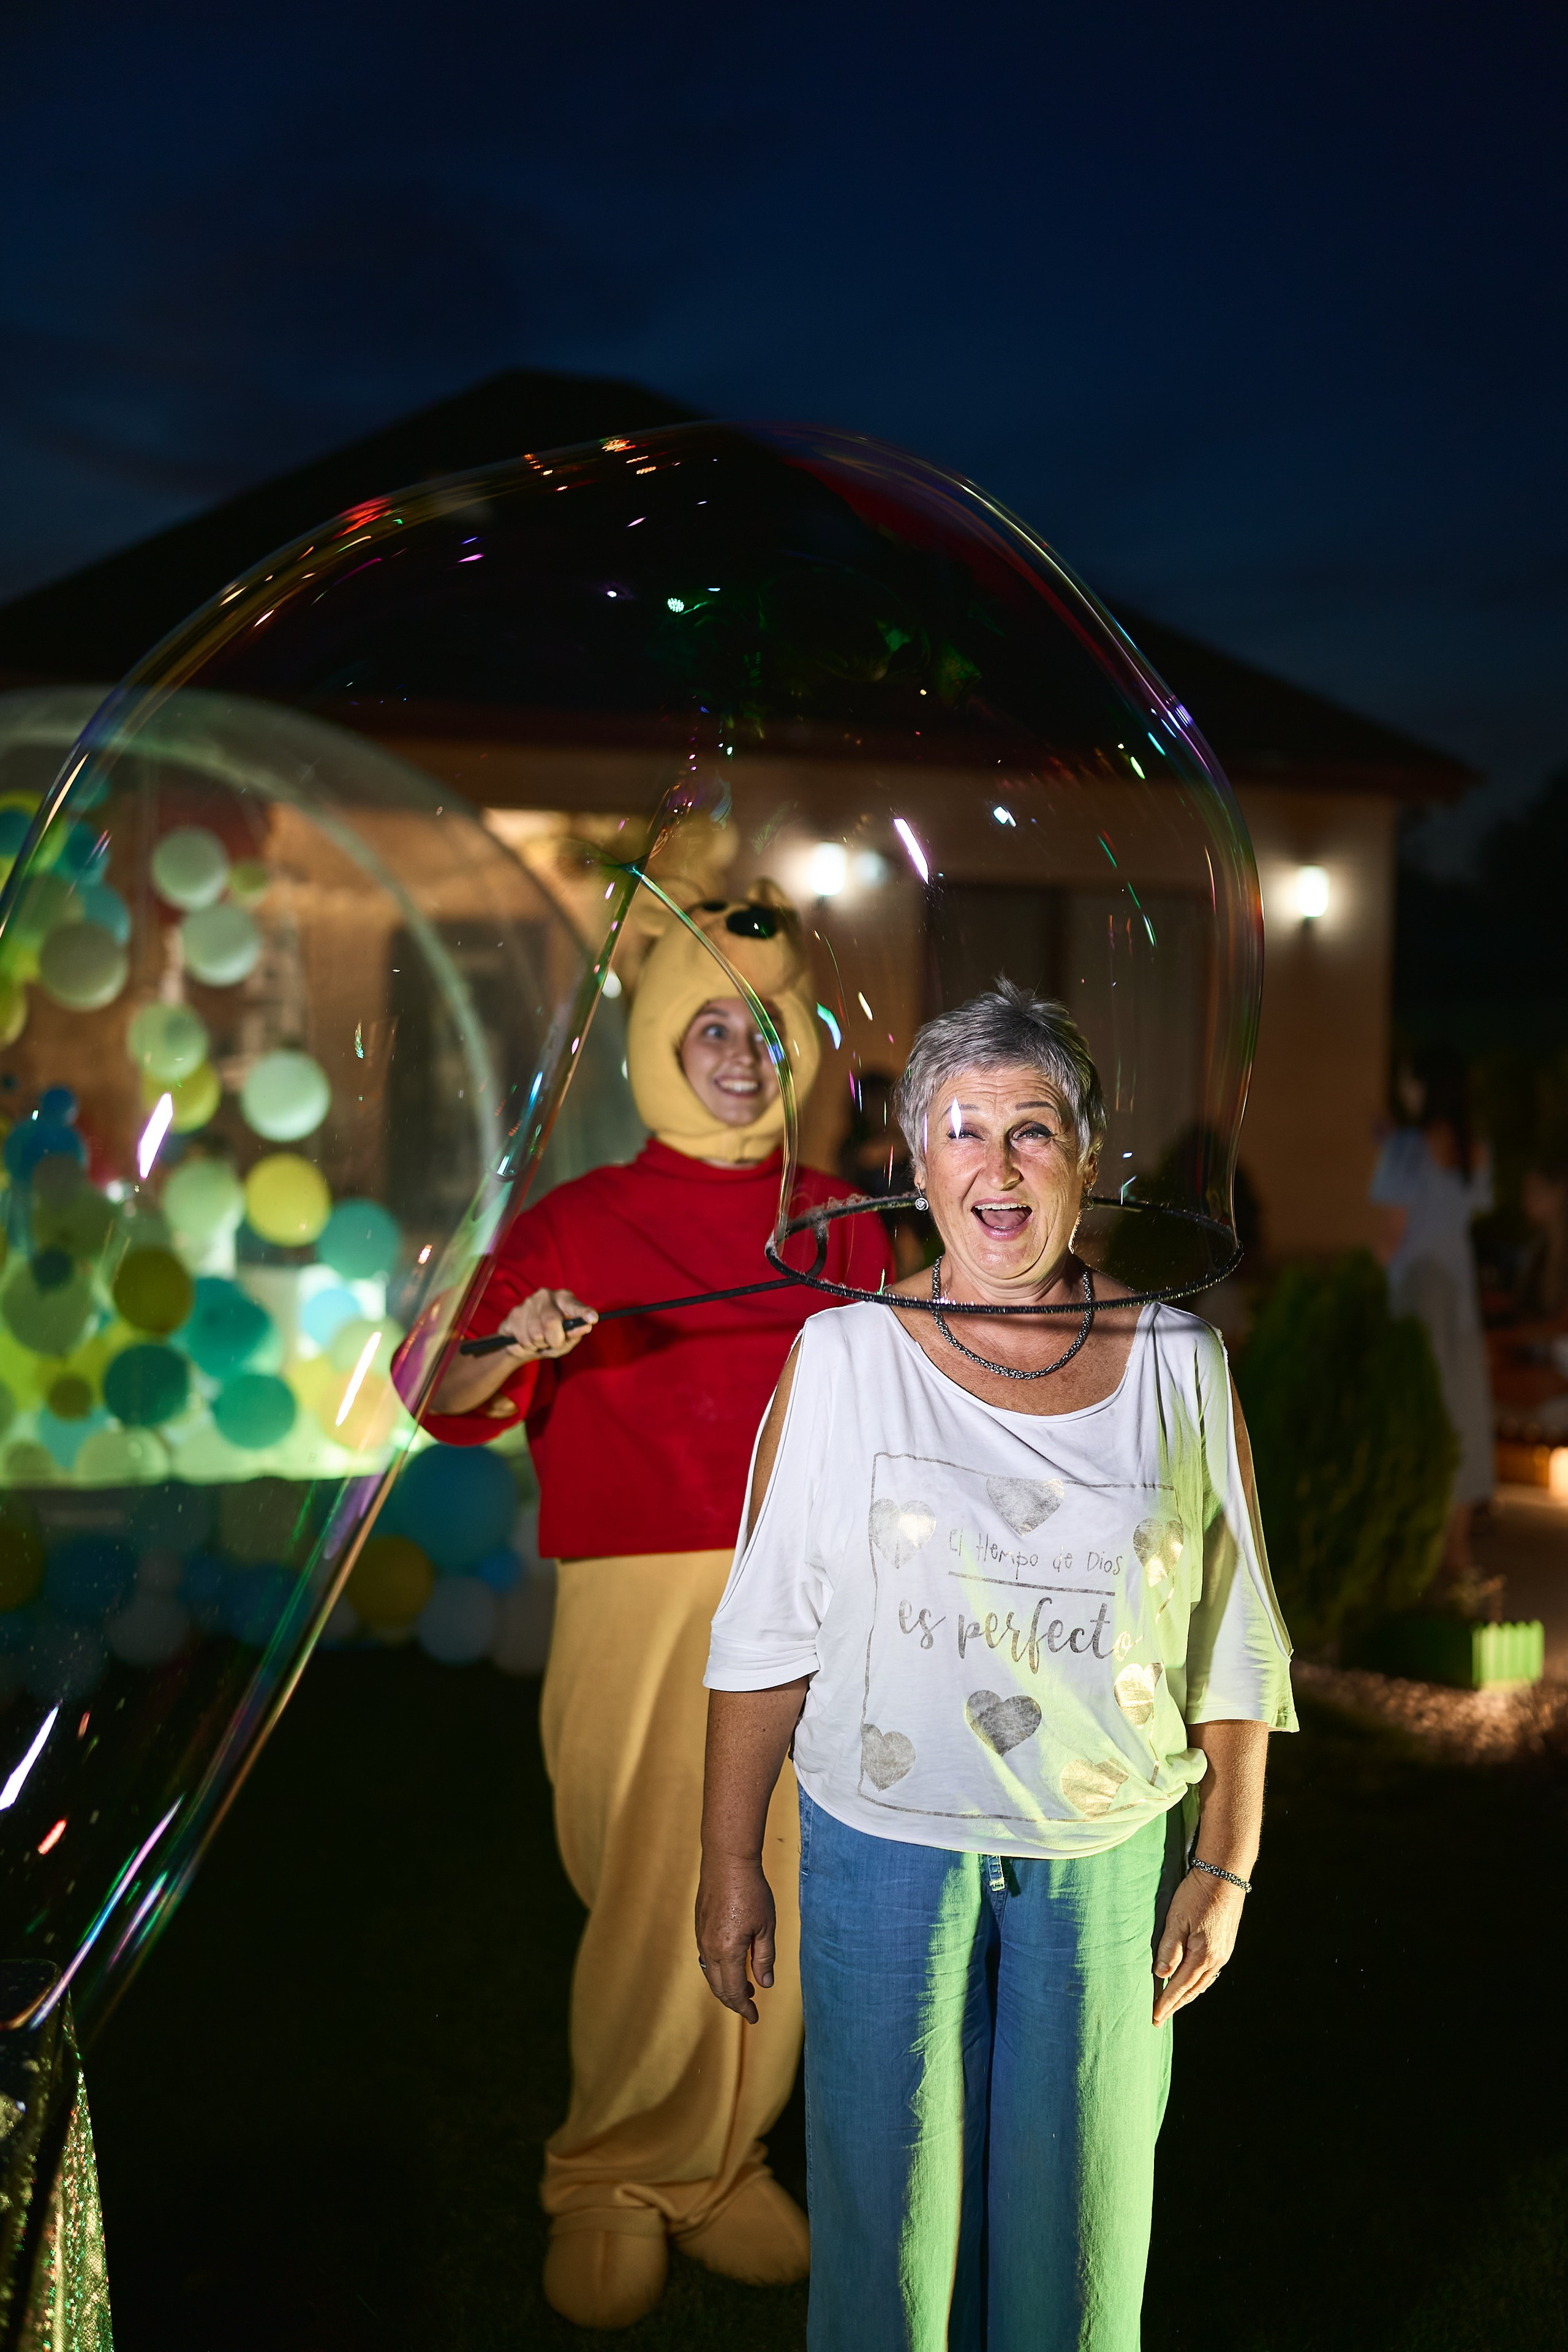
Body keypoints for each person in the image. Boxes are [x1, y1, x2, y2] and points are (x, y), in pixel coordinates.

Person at [695, 982, 1296, 2350]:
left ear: (1085, 1158)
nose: (999, 1164)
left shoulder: (1178, 1363)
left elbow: (1233, 1632)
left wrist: (1223, 1860)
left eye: (1034, 1129)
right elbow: (764, 1626)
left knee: (1078, 2243)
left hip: (1101, 1855)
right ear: (917, 1165)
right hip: (879, 1855)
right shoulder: (842, 1356)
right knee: (883, 2236)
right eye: (963, 1130)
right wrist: (731, 1856)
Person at [405, 889, 894, 2331]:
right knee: (649, 1879)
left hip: (814, 1603)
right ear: (652, 1037)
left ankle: (712, 2158)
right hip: (639, 1603)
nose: (744, 1052)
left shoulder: (847, 1227)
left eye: (770, 1026)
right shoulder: (576, 1220)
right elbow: (435, 1397)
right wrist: (509, 1335)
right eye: (711, 1025)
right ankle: (611, 2172)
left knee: (785, 1889)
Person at [1371, 1049, 1494, 1586]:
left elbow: (1394, 1234)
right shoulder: (1478, 1151)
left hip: (1417, 1295)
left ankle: (1412, 1559)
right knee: (1463, 1417)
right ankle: (1458, 1554)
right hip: (1461, 1300)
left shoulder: (1405, 1148)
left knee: (1415, 1415)